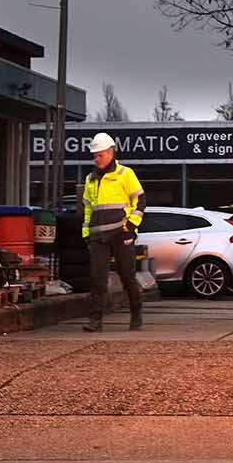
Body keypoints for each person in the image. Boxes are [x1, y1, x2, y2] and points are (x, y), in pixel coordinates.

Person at [81, 132, 145, 331]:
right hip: (98, 236)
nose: (96, 159)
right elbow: (88, 208)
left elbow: (140, 201)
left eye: (99, 155)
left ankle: (136, 313)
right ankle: (95, 320)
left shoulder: (125, 174)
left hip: (121, 234)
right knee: (97, 278)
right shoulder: (90, 179)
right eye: (94, 155)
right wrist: (86, 233)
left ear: (110, 153)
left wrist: (132, 225)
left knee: (127, 275)